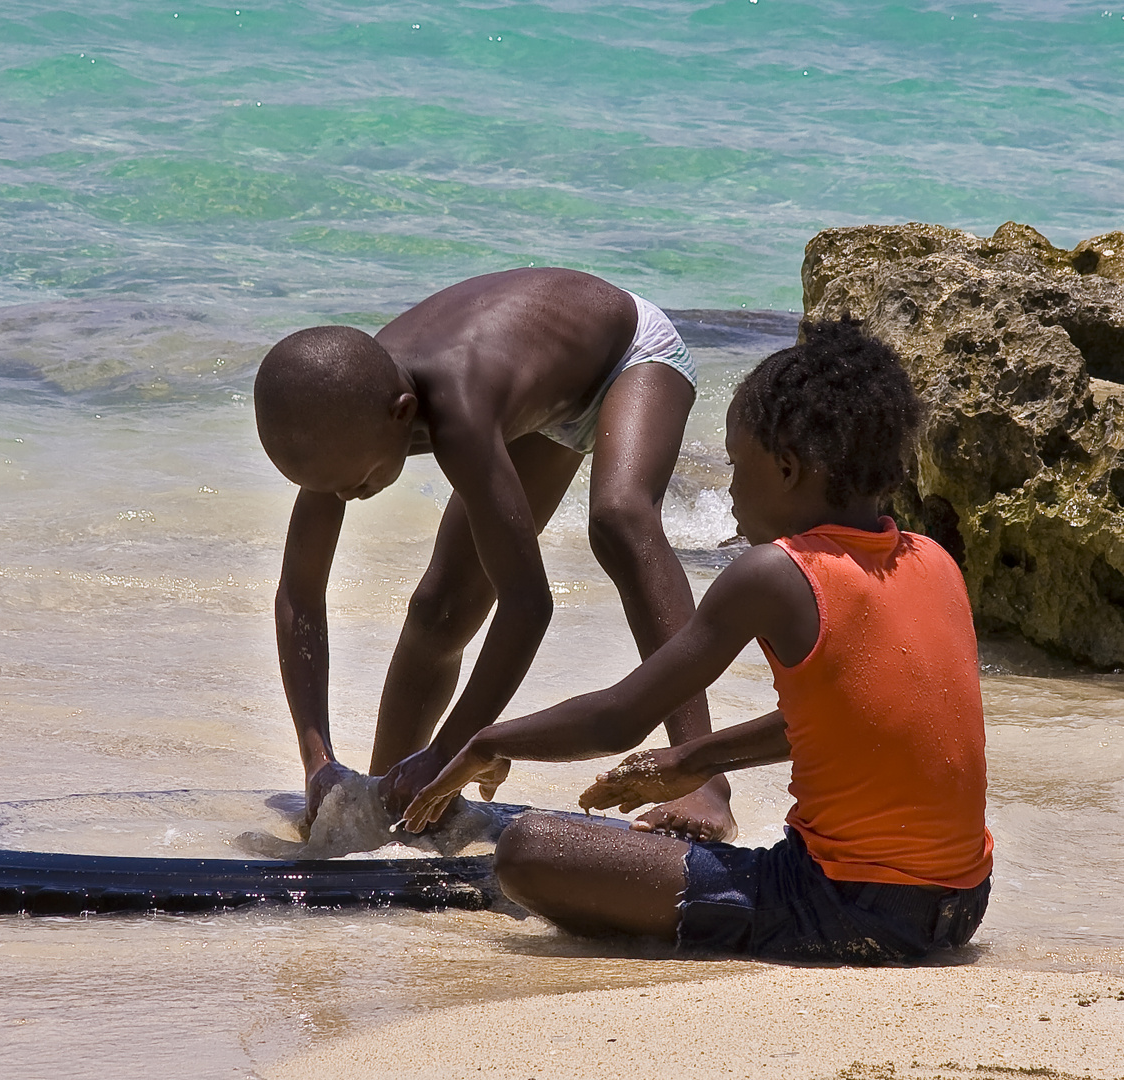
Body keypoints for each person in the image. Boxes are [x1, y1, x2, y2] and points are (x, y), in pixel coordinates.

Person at [400, 319, 994, 963]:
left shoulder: (776, 573)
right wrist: (692, 761)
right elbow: (853, 719)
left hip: (840, 907)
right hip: (960, 904)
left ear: (789, 469)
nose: (730, 489)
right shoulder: (931, 560)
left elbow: (619, 718)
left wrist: (484, 742)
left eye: (739, 466)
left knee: (529, 850)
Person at [254, 267, 734, 839]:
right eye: (323, 486)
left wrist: (460, 748)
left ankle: (704, 780)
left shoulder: (454, 409)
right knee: (440, 609)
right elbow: (299, 594)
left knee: (619, 518)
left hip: (628, 358)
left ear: (402, 413)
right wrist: (319, 764)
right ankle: (394, 797)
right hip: (538, 400)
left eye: (353, 484)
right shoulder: (336, 409)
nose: (341, 497)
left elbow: (528, 606)